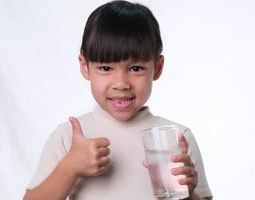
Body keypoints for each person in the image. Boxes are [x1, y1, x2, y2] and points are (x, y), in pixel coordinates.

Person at [23, 1, 212, 199]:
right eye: (106, 68)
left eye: (135, 68)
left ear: (157, 68)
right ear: (85, 67)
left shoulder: (177, 139)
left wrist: (188, 194)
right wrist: (69, 168)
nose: (121, 83)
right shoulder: (69, 138)